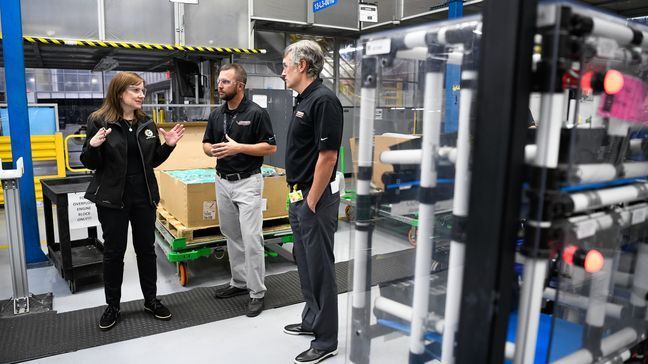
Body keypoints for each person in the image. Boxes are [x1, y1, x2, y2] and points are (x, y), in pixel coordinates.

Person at [80, 71, 185, 331]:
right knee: (114, 253)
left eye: (143, 91)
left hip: (143, 197)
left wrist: (168, 145)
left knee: (146, 251)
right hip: (112, 199)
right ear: (119, 93)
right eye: (136, 90)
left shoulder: (146, 123)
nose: (141, 95)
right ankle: (113, 306)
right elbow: (91, 163)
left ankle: (151, 300)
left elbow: (152, 161)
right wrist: (92, 146)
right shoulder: (99, 120)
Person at [281, 40, 343, 364]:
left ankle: (326, 339)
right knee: (304, 262)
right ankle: (311, 320)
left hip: (315, 197)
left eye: (285, 65)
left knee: (320, 268)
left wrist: (310, 204)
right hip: (299, 195)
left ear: (302, 65)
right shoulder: (303, 99)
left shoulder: (324, 101)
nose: (283, 72)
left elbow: (328, 157)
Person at [202, 63, 277, 317]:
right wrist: (213, 150)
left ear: (239, 86)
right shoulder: (216, 115)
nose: (219, 85)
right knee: (232, 235)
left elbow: (270, 148)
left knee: (252, 239)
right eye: (219, 81)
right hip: (222, 181)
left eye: (225, 82)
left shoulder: (256, 113)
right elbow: (206, 144)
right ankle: (239, 282)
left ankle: (257, 292)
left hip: (248, 182)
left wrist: (239, 147)